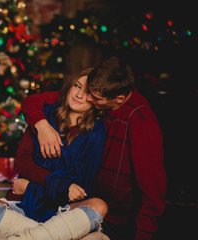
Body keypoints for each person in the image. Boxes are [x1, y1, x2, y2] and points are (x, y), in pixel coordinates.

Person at [20, 56, 167, 239]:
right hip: (83, 206)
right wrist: (41, 125)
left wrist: (143, 235)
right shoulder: (101, 99)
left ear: (119, 99)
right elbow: (32, 101)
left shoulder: (141, 123)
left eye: (94, 96)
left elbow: (153, 190)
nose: (86, 97)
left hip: (113, 219)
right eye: (84, 90)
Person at [0, 68, 109, 240]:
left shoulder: (95, 132)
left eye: (88, 92)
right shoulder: (43, 117)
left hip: (65, 210)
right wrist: (57, 186)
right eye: (77, 86)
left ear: (96, 99)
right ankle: (53, 236)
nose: (79, 95)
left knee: (98, 206)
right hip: (25, 205)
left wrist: (29, 188)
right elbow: (22, 162)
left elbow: (79, 190)